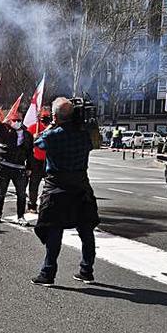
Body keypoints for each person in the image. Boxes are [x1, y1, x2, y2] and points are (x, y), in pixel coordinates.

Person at [31, 97, 99, 286]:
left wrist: (50, 125)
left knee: (54, 231)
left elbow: (38, 143)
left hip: (57, 188)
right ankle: (87, 270)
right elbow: (91, 142)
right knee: (86, 230)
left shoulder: (53, 135)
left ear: (55, 115)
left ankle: (48, 273)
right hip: (81, 187)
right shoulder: (83, 134)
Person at [0, 99, 34, 225]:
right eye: (15, 120)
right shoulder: (4, 131)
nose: (17, 123)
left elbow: (30, 152)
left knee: (21, 194)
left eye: (19, 120)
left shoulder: (27, 135)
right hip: (5, 166)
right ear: (10, 121)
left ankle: (21, 217)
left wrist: (29, 167)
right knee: (1, 192)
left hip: (20, 168)